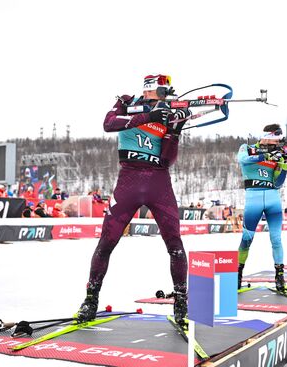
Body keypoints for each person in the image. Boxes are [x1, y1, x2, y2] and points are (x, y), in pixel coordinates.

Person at [76, 74, 190, 326]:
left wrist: (174, 132)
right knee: (107, 241)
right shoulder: (127, 103)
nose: (163, 97)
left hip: (159, 182)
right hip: (128, 179)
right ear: (151, 90)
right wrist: (148, 117)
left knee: (175, 243)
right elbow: (108, 124)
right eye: (161, 92)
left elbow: (167, 160)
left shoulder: (168, 113)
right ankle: (90, 299)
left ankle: (181, 302)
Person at [236, 124, 287, 292]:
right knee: (247, 239)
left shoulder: (277, 153)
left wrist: (284, 165)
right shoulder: (246, 148)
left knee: (276, 239)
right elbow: (243, 159)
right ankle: (237, 274)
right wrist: (267, 155)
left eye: (278, 141)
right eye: (274, 139)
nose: (276, 143)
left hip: (273, 199)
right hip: (253, 198)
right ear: (265, 136)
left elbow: (277, 183)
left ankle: (280, 276)